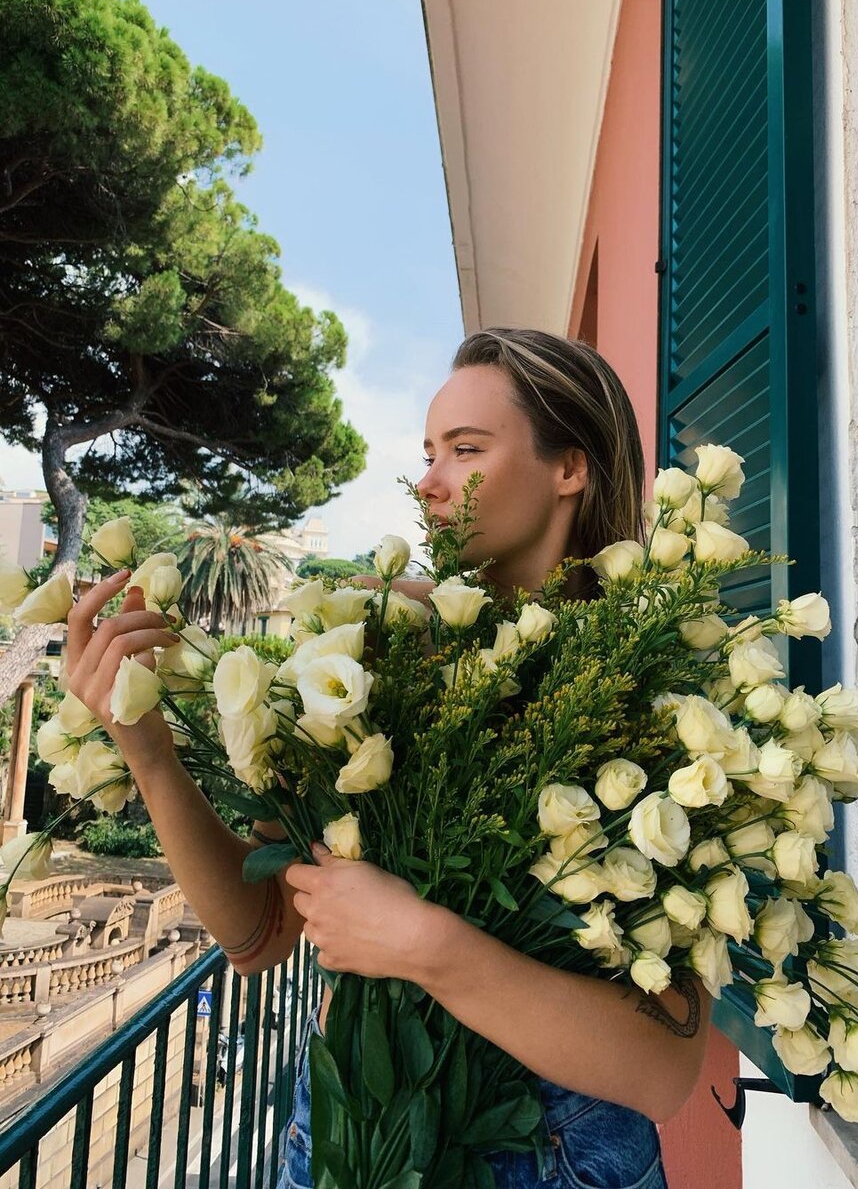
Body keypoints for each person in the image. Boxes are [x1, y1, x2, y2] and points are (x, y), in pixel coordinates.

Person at [64, 328, 711, 1189]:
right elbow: (260, 933)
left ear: (571, 468)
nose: (429, 482)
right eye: (429, 452)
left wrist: (424, 944)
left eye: (466, 450)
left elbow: (661, 1072)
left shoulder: (654, 694)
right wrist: (146, 754)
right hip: (335, 1139)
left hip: (559, 1162)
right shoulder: (373, 650)